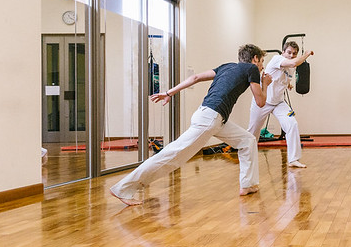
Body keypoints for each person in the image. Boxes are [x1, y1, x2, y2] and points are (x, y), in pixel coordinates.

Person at [110, 44, 272, 206]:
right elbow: (260, 102)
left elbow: (195, 78)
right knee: (171, 155)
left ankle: (248, 184)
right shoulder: (251, 68)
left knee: (247, 140)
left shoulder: (227, 66)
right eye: (262, 62)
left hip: (212, 117)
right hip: (210, 119)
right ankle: (123, 188)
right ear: (255, 58)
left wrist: (168, 93)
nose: (262, 66)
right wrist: (265, 84)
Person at [247, 41, 313, 169]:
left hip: (278, 103)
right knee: (253, 132)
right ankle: (246, 157)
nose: (291, 55)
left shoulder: (292, 68)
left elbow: (282, 77)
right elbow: (294, 63)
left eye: (294, 53)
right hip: (263, 101)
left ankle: (293, 159)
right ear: (283, 52)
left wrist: (288, 84)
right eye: (289, 52)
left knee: (292, 124)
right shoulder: (277, 59)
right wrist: (306, 54)